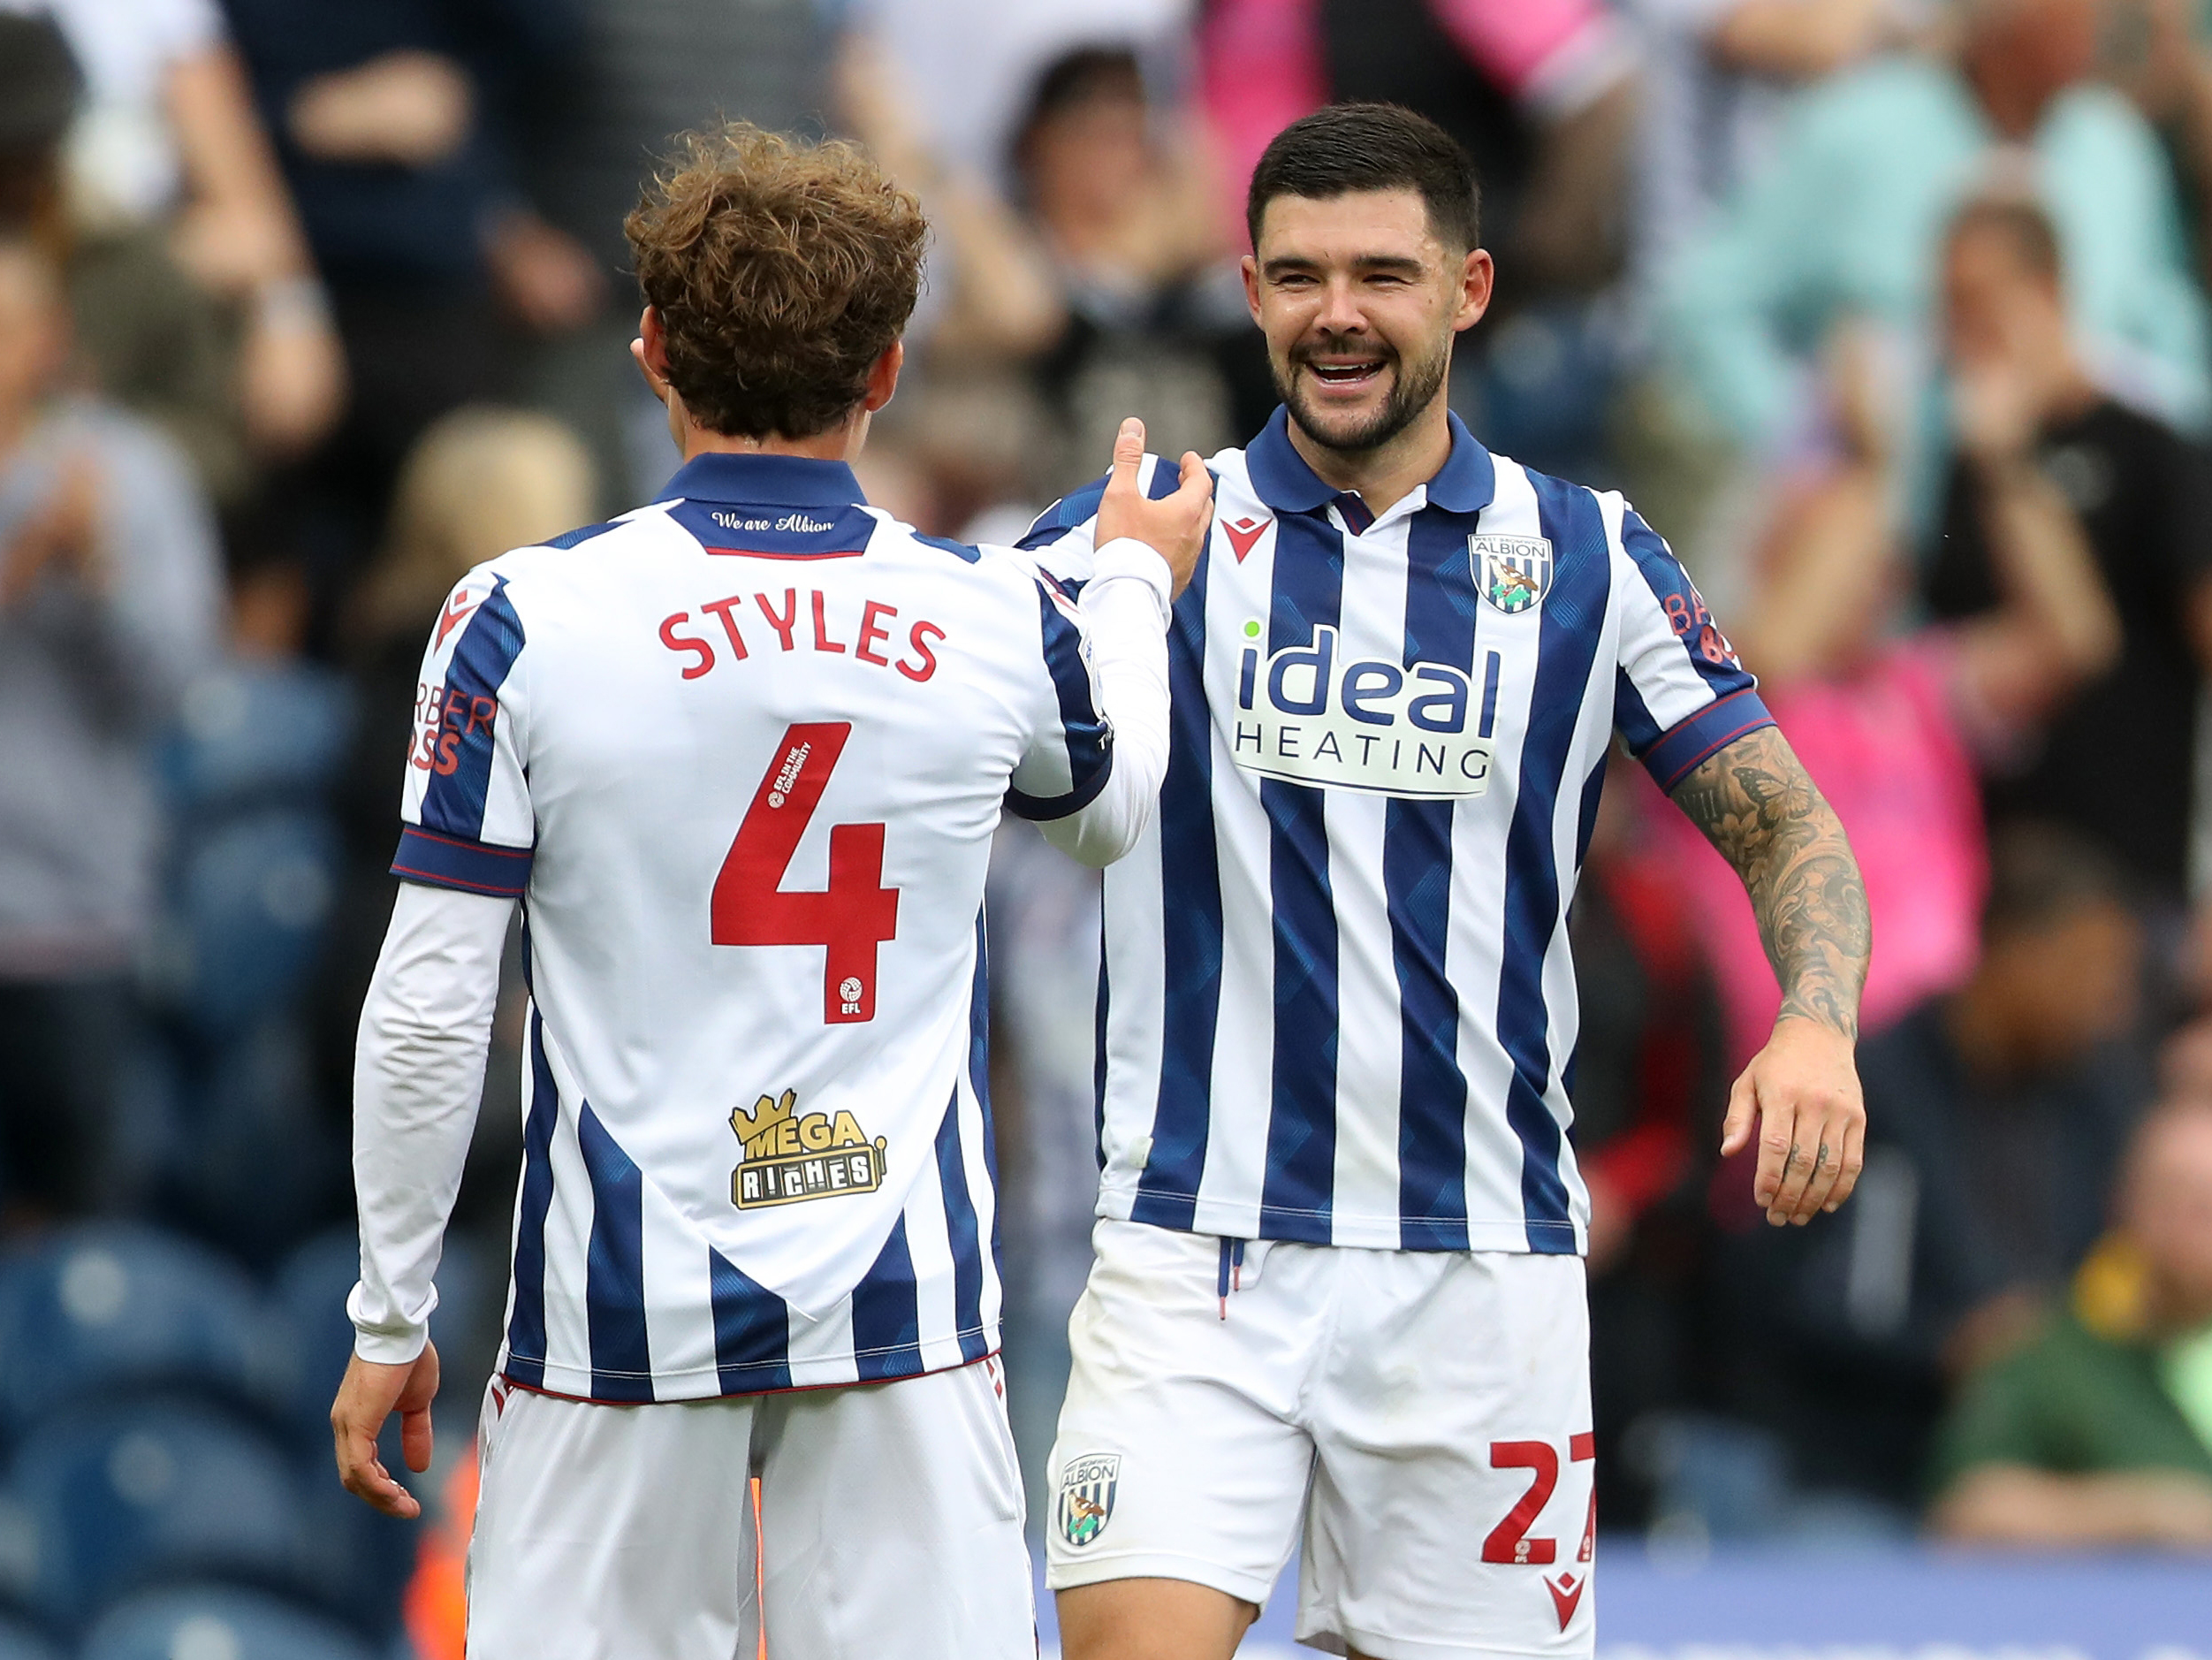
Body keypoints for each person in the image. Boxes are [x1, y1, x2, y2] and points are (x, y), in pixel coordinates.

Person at [325, 123, 1214, 1659]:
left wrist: (388, 1315)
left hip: (616, 1313)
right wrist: (1133, 577)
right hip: (903, 1313)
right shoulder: (997, 613)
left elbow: (426, 1007)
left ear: (652, 349)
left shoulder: (516, 617)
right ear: (884, 372)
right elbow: (1113, 805)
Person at [1021, 103, 1870, 1658]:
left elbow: (1786, 824)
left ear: (1468, 289)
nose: (1335, 313)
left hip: (1483, 1276)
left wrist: (1814, 1017)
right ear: (1249, 289)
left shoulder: (1591, 553)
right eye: (1294, 276)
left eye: (1379, 275)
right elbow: (929, 744)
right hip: (1192, 1251)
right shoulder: (1144, 536)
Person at [1721, 824, 2147, 1509]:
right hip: (1854, 1469)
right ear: (2012, 952)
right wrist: (1944, 1347)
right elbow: (1784, 1292)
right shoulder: (1871, 1087)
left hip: (2036, 1465)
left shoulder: (2097, 1097)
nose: (2109, 1004)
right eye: (2089, 971)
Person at [0, 232, 224, 1221]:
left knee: (84, 1237)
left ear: (50, 337)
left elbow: (175, 683)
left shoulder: (130, 474)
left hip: (78, 921)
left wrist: (94, 581)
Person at [1922, 195, 2212, 915]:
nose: (1964, 329)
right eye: (1950, 306)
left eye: (1981, 300)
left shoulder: (2151, 446)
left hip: (2129, 870)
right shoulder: (1965, 464)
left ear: (2047, 292)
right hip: (1991, 870)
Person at [1929, 1093, 2212, 1548]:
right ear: (2128, 1207)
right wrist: (2148, 1512)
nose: (2197, 1227)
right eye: (2185, 1203)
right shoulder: (2048, 1349)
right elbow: (1969, 1507)